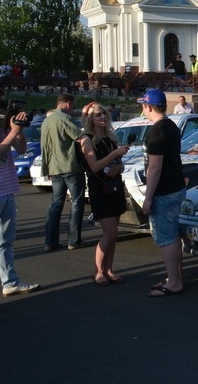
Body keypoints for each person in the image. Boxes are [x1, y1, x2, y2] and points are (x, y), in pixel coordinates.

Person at [0, 89, 41, 314]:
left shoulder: (2, 128)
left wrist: (16, 130)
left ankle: (10, 282)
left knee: (5, 242)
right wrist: (12, 132)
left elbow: (20, 148)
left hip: (7, 191)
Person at [137, 90, 186, 297]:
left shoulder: (155, 132)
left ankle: (174, 282)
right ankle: (175, 277)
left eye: (143, 106)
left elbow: (154, 168)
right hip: (176, 187)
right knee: (173, 235)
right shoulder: (172, 126)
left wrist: (148, 198)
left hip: (164, 191)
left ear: (148, 107)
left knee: (165, 237)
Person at [78, 102, 130, 285]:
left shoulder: (110, 137)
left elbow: (117, 163)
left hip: (114, 186)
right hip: (99, 189)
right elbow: (94, 166)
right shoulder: (86, 139)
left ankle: (109, 269)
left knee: (114, 234)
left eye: (104, 114)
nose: (102, 117)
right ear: (89, 119)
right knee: (110, 233)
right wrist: (114, 154)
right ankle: (98, 271)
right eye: (98, 115)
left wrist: (119, 165)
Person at [41, 93, 87, 251]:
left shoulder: (46, 121)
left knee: (55, 204)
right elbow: (80, 136)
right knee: (76, 203)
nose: (73, 108)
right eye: (73, 105)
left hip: (54, 168)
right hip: (70, 165)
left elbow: (44, 146)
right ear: (67, 103)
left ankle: (50, 241)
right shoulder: (64, 118)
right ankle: (74, 240)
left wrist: (46, 167)